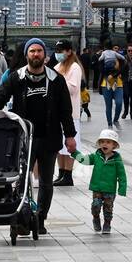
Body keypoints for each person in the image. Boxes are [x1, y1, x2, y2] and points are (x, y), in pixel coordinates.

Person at [0, 38, 77, 234]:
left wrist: (70, 136)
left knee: (45, 182)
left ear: (45, 55)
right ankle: (22, 215)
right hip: (24, 137)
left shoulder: (55, 79)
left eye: (39, 51)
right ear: (27, 54)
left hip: (49, 137)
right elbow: (0, 96)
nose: (36, 54)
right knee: (21, 178)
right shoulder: (16, 77)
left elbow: (65, 110)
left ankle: (40, 219)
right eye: (32, 51)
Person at [72, 128, 128, 235]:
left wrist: (122, 188)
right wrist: (74, 153)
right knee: (95, 205)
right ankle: (96, 218)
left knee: (108, 208)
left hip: (110, 189)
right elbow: (84, 160)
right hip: (97, 187)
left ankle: (107, 223)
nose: (104, 144)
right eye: (102, 142)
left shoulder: (117, 160)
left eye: (108, 142)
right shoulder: (96, 156)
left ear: (114, 145)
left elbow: (122, 175)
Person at [52, 40, 85, 187]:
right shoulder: (57, 66)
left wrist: (60, 80)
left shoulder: (75, 67)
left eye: (61, 50)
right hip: (56, 111)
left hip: (71, 112)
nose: (58, 53)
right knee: (59, 146)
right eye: (57, 50)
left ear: (69, 51)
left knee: (70, 145)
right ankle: (61, 172)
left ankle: (68, 174)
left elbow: (73, 88)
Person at [98, 44, 125, 127]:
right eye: (114, 48)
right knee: (108, 105)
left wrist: (114, 75)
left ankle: (116, 119)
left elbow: (123, 68)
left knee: (119, 103)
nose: (114, 51)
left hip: (118, 83)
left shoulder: (120, 59)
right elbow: (100, 68)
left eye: (117, 49)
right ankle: (109, 123)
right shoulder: (104, 57)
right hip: (106, 83)